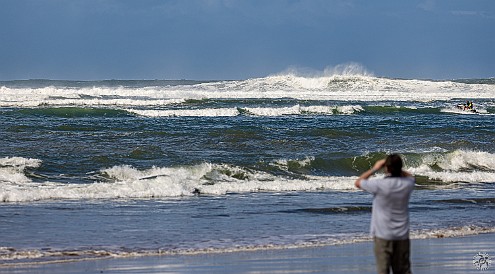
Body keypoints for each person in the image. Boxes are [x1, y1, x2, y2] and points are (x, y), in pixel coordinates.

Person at [354, 154, 415, 274]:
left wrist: (375, 168)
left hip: (383, 235)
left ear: (386, 168)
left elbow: (358, 182)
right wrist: (397, 168)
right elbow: (411, 176)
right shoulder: (407, 184)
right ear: (400, 168)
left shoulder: (379, 185)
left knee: (383, 270)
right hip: (402, 235)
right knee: (403, 270)